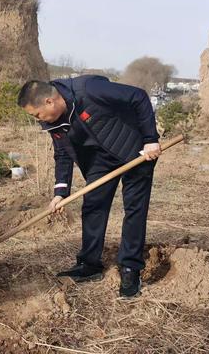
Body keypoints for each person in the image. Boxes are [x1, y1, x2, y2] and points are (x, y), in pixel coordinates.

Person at [17, 75, 161, 297]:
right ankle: (89, 264)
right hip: (99, 160)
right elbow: (63, 154)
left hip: (136, 150)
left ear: (49, 101)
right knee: (93, 205)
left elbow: (138, 96)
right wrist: (60, 193)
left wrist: (150, 139)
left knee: (134, 209)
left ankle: (131, 267)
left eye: (37, 115)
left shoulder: (89, 89)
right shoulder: (53, 122)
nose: (38, 120)